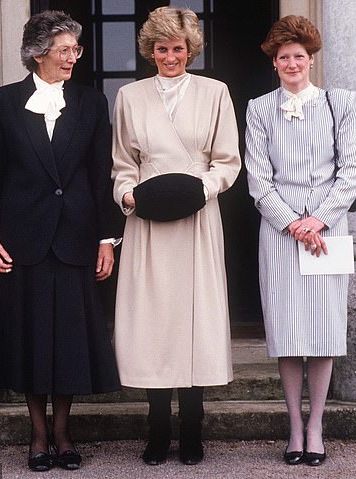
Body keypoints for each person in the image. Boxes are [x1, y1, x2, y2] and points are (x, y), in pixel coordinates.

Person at [0, 10, 121, 472]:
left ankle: (63, 432)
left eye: (76, 49)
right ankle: (38, 435)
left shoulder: (92, 103)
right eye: (64, 49)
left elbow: (101, 175)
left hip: (76, 237)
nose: (73, 57)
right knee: (32, 338)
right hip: (23, 240)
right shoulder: (3, 102)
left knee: (70, 340)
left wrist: (106, 238)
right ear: (38, 53)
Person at [112, 6, 241, 466]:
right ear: (150, 51)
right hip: (147, 220)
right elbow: (123, 163)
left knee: (194, 319)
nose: (171, 56)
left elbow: (228, 159)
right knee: (154, 323)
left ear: (191, 50)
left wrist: (200, 189)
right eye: (162, 48)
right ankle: (157, 426)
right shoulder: (129, 96)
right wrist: (128, 196)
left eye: (179, 48)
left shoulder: (215, 93)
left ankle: (192, 425)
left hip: (197, 216)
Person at [244, 15, 356, 467]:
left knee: (324, 329)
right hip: (280, 232)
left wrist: (317, 221)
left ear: (310, 60)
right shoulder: (259, 108)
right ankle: (294, 425)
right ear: (274, 63)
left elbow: (352, 170)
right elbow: (258, 179)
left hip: (327, 229)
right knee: (288, 331)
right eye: (283, 57)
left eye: (299, 56)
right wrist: (293, 223)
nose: (291, 63)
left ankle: (317, 426)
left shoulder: (341, 103)